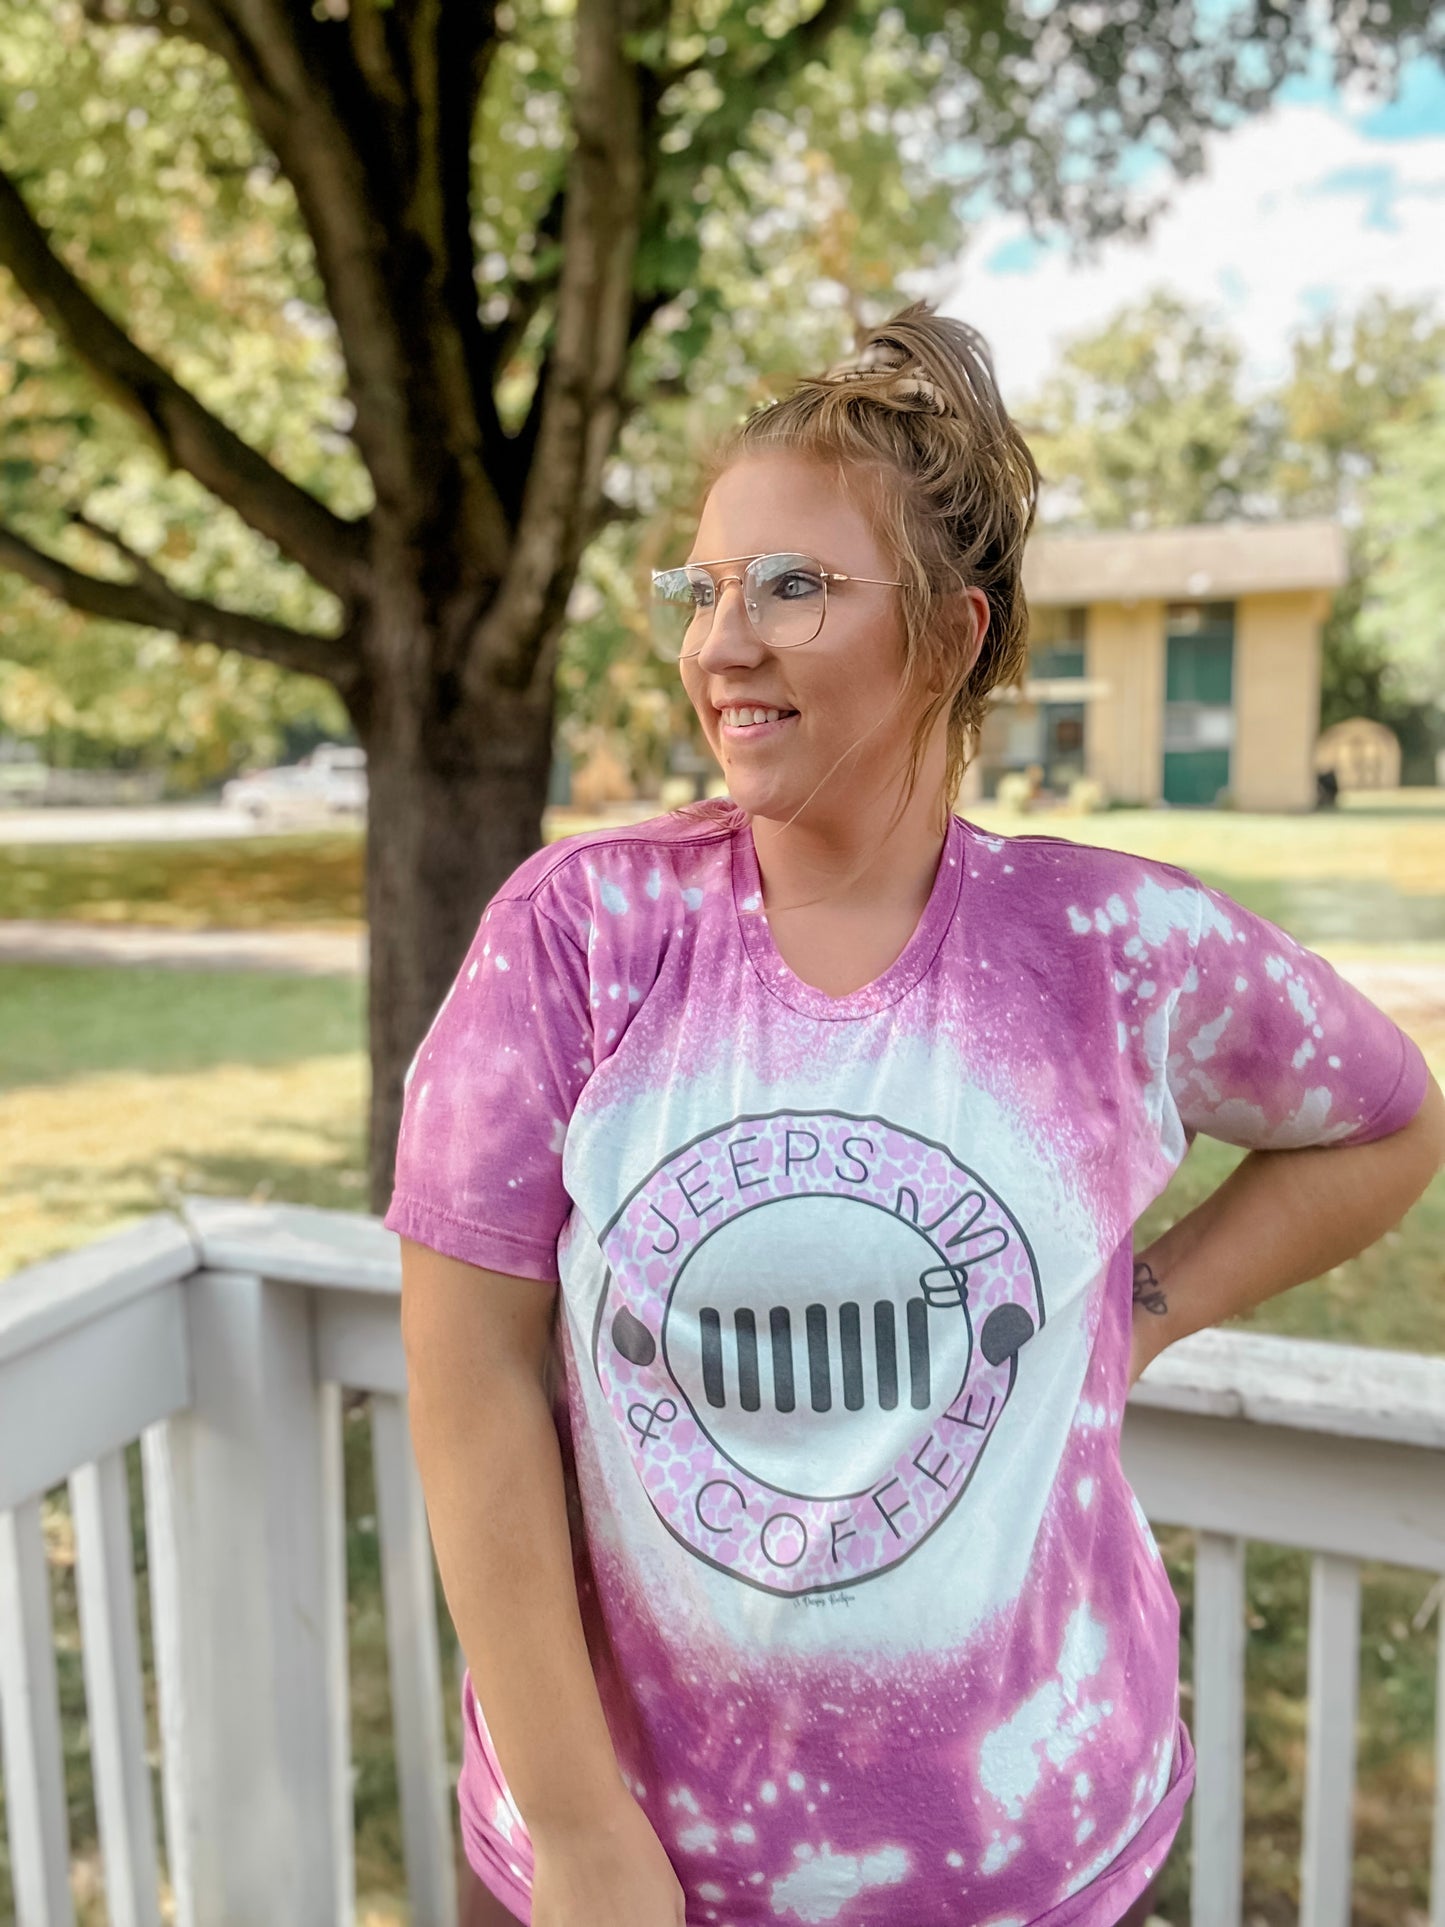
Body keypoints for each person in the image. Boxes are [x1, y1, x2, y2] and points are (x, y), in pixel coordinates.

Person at [387, 304, 1445, 1927]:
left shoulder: (1105, 952)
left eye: (792, 586)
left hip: (1027, 1857)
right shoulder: (579, 935)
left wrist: (1136, 1313)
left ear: (949, 636)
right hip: (611, 1875)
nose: (719, 641)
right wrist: (583, 1829)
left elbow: (1384, 1119)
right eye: (704, 587)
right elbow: (467, 1376)